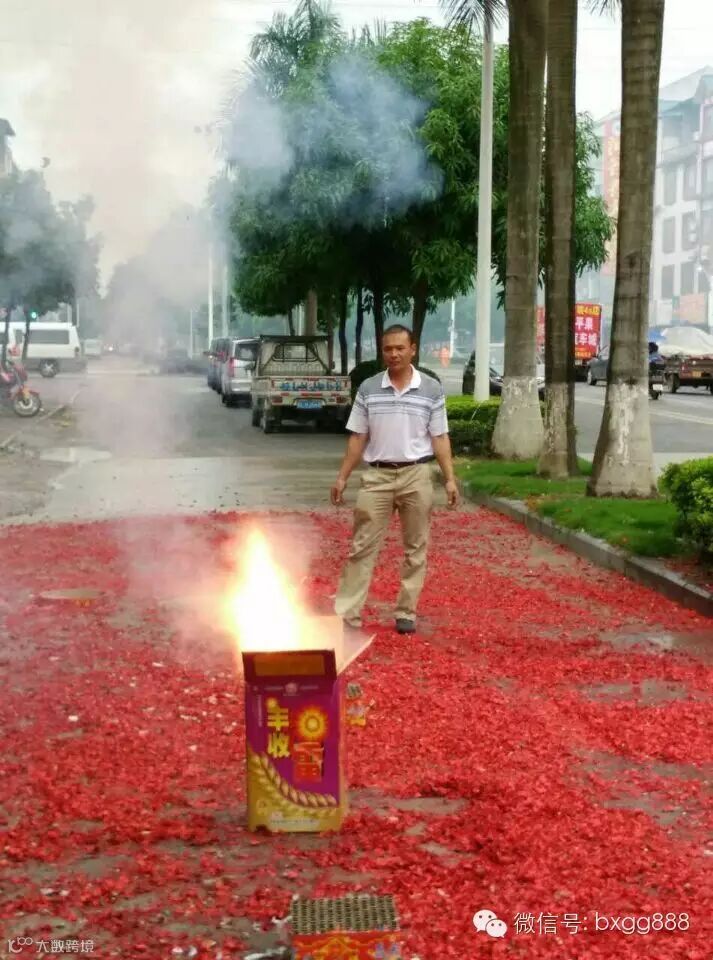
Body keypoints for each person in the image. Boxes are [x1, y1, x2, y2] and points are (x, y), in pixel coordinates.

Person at [330, 325, 459, 635]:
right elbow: (358, 436)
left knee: (416, 548)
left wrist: (449, 479)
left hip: (417, 474)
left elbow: (439, 437)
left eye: (400, 348)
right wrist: (342, 477)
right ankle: (349, 614)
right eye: (388, 349)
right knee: (361, 547)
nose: (394, 354)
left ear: (413, 349)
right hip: (377, 476)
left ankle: (406, 612)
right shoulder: (369, 388)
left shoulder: (431, 389)